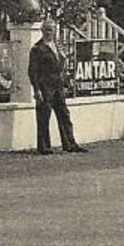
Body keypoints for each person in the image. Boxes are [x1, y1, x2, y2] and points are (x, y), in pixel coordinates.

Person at [28, 17, 86, 154]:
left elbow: (60, 67)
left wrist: (64, 59)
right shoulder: (37, 48)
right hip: (45, 85)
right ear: (42, 31)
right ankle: (44, 146)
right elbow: (32, 71)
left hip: (57, 85)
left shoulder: (57, 46)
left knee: (64, 115)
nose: (49, 32)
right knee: (44, 117)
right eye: (46, 30)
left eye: (51, 30)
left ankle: (70, 143)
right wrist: (36, 89)